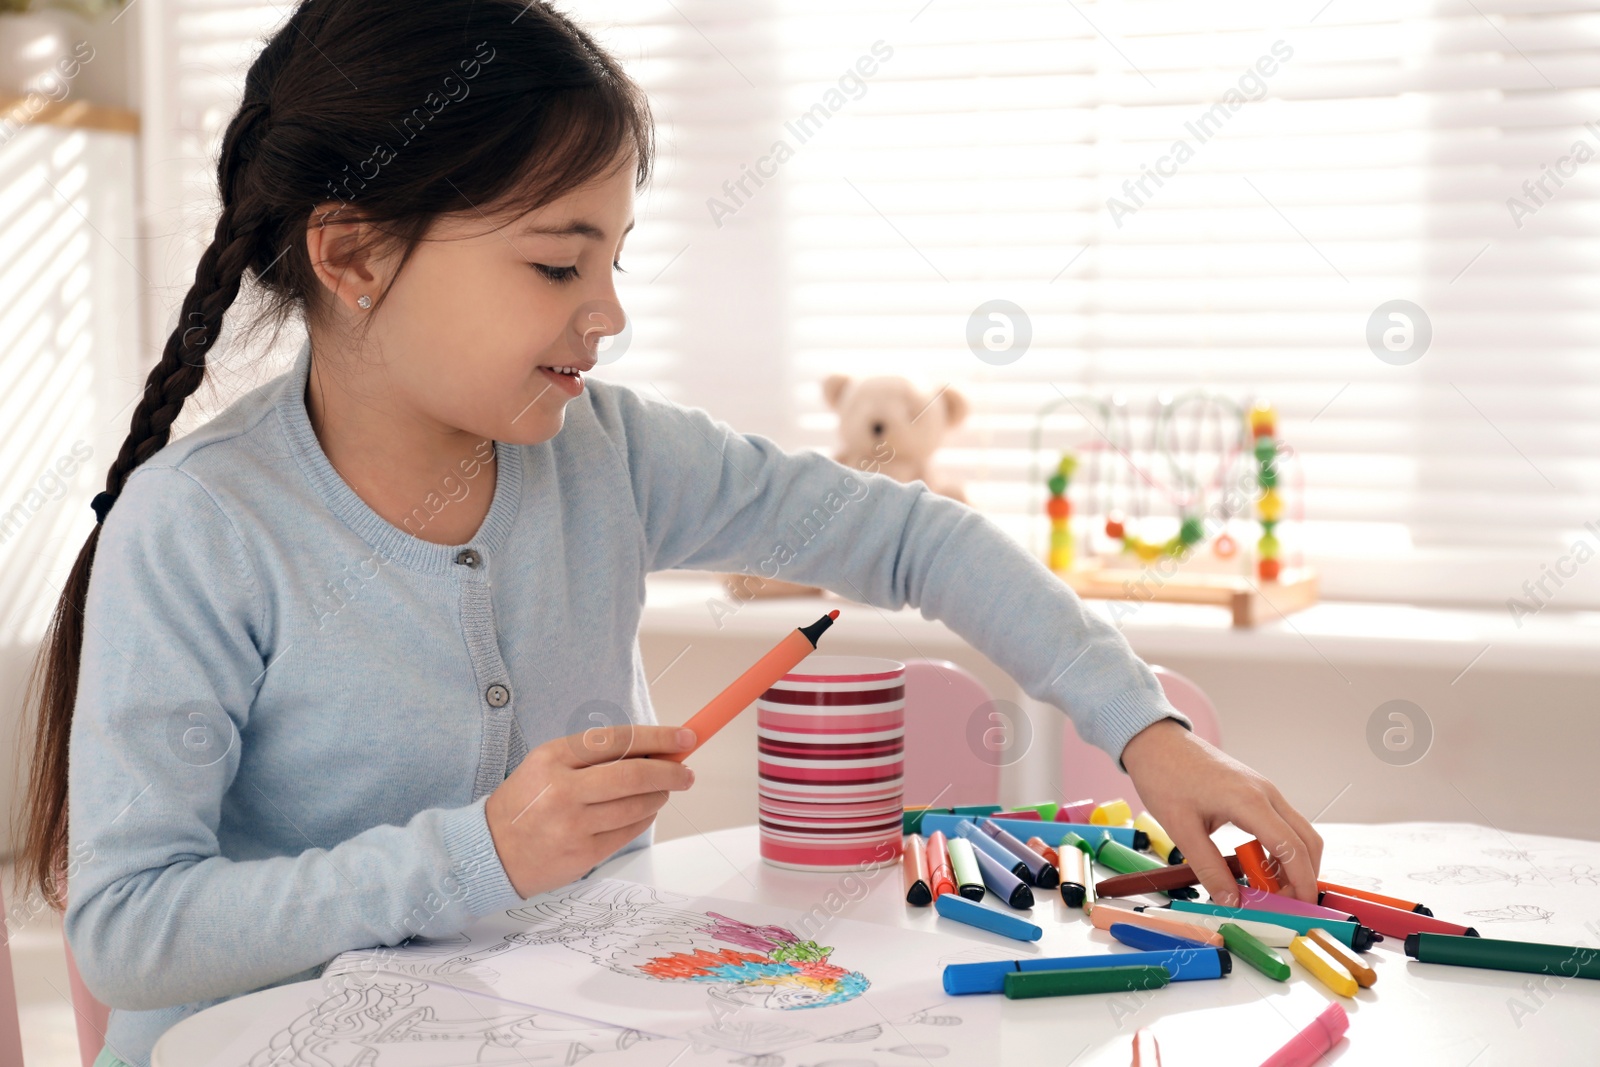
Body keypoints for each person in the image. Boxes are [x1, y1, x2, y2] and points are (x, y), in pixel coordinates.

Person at [12, 3, 1321, 1065]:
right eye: (556, 263)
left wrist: (1144, 728)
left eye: (619, 257)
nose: (610, 312)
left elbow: (917, 538)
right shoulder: (203, 528)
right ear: (353, 258)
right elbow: (132, 936)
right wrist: (479, 856)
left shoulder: (610, 453)